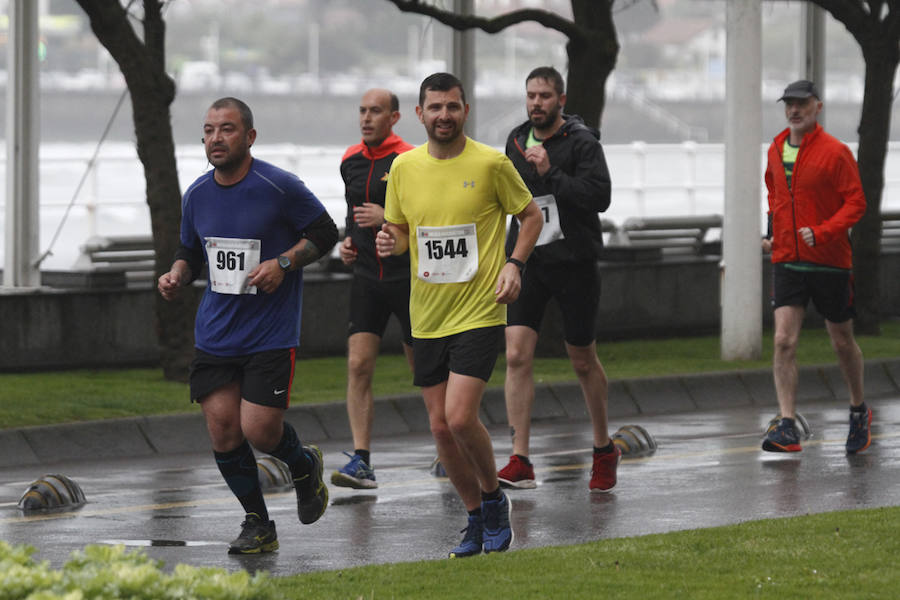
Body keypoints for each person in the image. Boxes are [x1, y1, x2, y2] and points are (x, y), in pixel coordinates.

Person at [158, 97, 339, 554]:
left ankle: (303, 465)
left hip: (270, 333)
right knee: (223, 430)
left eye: (227, 129)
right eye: (209, 131)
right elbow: (191, 250)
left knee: (259, 430)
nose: (216, 139)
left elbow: (324, 234)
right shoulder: (197, 194)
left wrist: (284, 262)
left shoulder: (278, 186)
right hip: (216, 333)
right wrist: (178, 273)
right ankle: (258, 522)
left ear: (250, 136)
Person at [375, 73, 542, 558]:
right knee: (440, 428)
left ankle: (493, 498)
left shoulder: (491, 163)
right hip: (426, 314)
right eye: (434, 107)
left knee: (459, 415)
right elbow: (401, 231)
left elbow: (530, 216)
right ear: (419, 114)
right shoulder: (403, 168)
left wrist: (514, 265)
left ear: (465, 110)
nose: (443, 115)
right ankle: (473, 515)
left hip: (479, 311)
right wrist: (391, 240)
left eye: (452, 107)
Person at [496, 66, 621, 493]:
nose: (536, 103)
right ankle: (520, 458)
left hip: (575, 262)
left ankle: (604, 448)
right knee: (516, 355)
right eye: (531, 95)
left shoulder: (582, 143)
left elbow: (599, 197)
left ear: (561, 100)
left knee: (582, 359)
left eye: (545, 96)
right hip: (528, 260)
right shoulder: (514, 141)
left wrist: (552, 173)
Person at [761, 80, 870, 454]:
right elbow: (775, 195)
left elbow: (856, 203)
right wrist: (771, 233)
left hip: (830, 262)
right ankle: (787, 424)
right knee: (783, 340)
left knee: (841, 341)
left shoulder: (836, 152)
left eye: (802, 104)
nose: (794, 110)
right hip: (788, 260)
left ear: (817, 107)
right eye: (789, 104)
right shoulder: (775, 149)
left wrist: (822, 233)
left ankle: (858, 409)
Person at [332, 89, 415, 489]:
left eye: (376, 112)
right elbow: (352, 213)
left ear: (394, 118)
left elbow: (429, 216)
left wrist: (388, 215)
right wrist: (348, 244)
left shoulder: (409, 159)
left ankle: (449, 445)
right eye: (362, 111)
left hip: (409, 277)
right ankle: (361, 458)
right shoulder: (350, 160)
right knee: (358, 365)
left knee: (424, 369)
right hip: (367, 277)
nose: (366, 118)